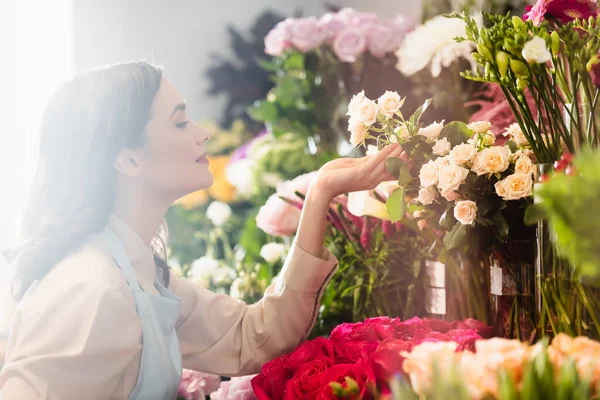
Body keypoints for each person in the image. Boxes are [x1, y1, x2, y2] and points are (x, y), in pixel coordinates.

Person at [0, 61, 403, 399]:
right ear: (129, 160)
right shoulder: (90, 288)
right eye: (179, 123)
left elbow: (254, 338)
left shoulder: (135, 273)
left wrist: (319, 195)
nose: (203, 133)